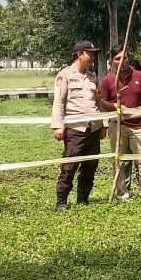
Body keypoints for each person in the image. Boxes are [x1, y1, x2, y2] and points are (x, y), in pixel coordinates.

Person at [50, 41, 106, 210]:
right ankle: (61, 201)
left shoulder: (93, 77)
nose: (93, 57)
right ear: (80, 54)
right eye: (90, 53)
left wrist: (103, 124)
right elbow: (59, 102)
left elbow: (98, 102)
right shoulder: (65, 75)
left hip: (93, 128)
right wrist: (58, 126)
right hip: (75, 129)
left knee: (90, 165)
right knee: (69, 165)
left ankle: (83, 198)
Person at [98, 47, 141, 200]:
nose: (121, 61)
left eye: (124, 57)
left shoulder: (140, 76)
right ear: (112, 61)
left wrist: (134, 111)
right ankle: (122, 194)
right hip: (117, 125)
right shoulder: (108, 80)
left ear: (129, 57)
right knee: (119, 160)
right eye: (117, 58)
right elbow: (102, 103)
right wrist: (115, 106)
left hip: (137, 125)